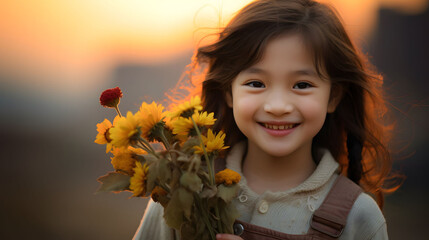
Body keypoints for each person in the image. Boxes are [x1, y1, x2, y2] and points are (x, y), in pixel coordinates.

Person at [133, 0, 400, 239]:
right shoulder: (184, 191)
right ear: (229, 92)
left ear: (333, 96)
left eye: (302, 84)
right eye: (256, 83)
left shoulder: (358, 217)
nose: (278, 106)